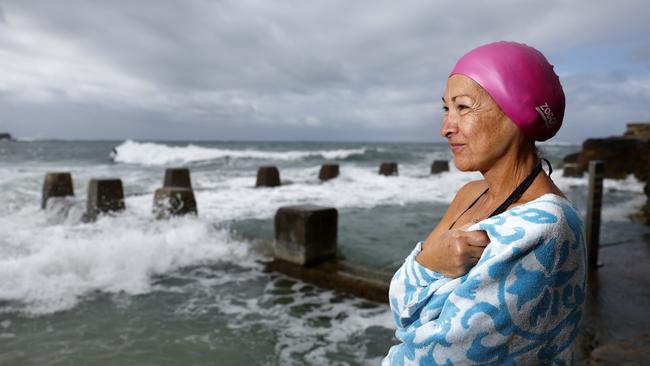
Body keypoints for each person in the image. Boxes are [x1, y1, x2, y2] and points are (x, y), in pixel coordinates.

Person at [383, 41, 586, 365]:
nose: (446, 128)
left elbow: (437, 352)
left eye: (463, 108)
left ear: (517, 112)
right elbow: (404, 313)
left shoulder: (544, 229)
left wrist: (424, 266)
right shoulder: (470, 193)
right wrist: (429, 264)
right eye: (446, 109)